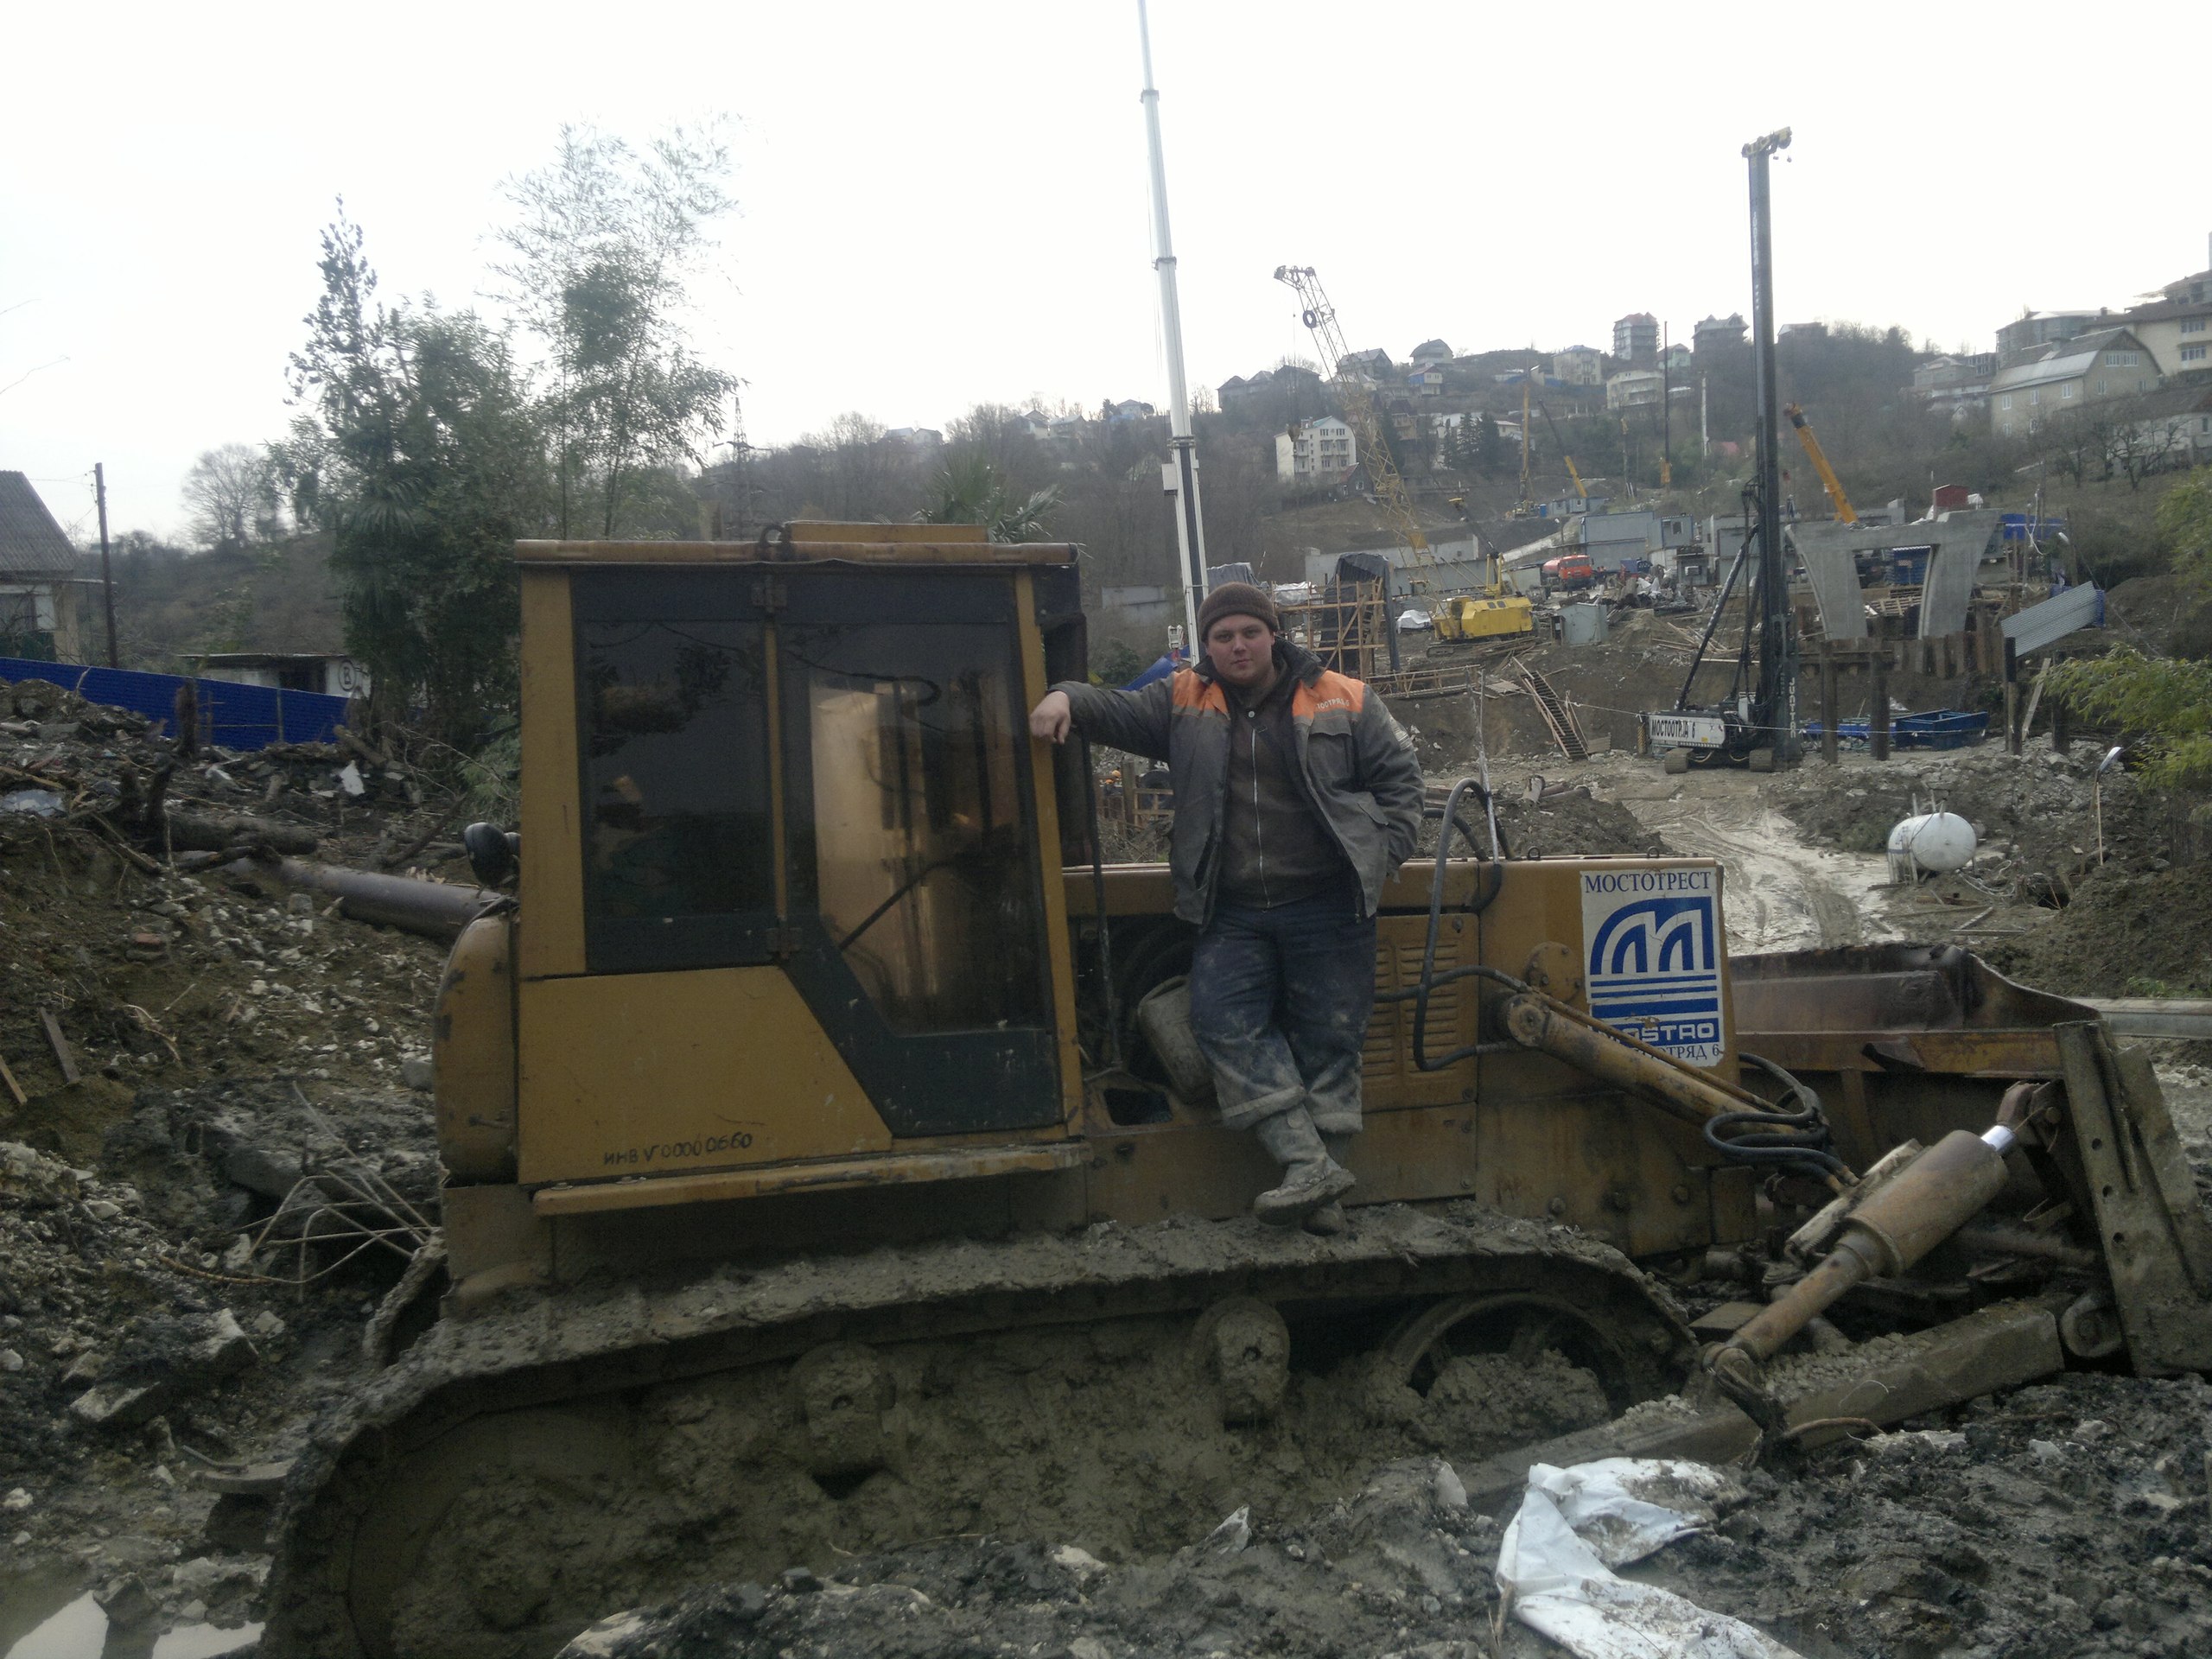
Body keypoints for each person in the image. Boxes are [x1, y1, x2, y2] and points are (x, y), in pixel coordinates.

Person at [1030, 582, 1424, 1230]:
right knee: (1220, 1023)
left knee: (1330, 1039)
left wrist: (1382, 856)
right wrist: (1062, 695)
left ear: (1272, 635)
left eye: (1249, 632)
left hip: (1326, 902)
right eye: (1223, 636)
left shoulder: (1343, 697)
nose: (1238, 646)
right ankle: (1310, 1165)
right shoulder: (1182, 700)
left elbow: (1401, 783)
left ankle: (1322, 1196)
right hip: (1234, 908)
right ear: (1207, 645)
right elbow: (1112, 707)